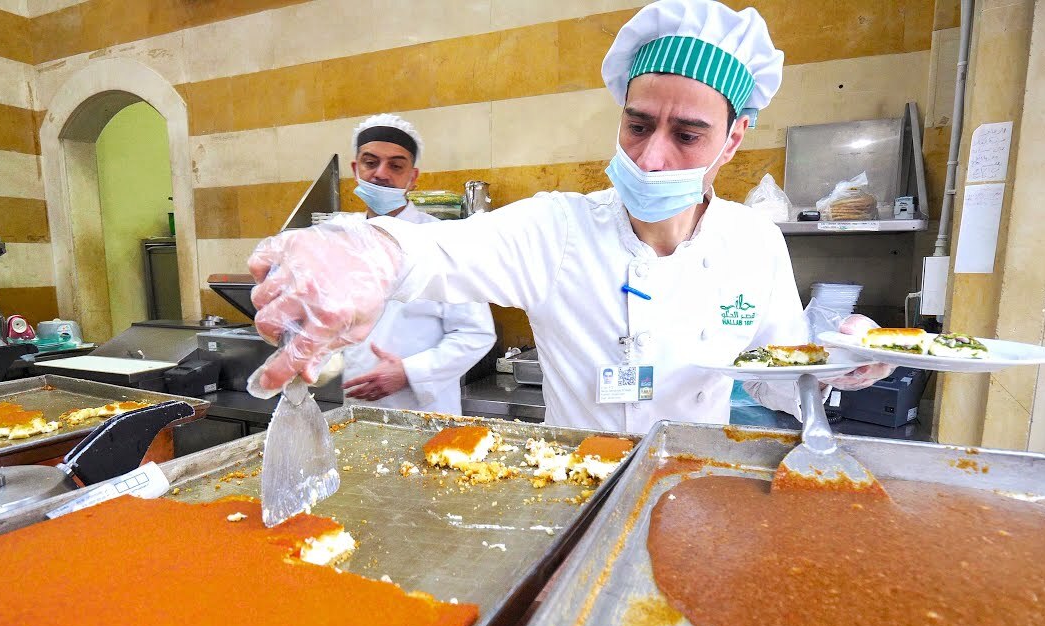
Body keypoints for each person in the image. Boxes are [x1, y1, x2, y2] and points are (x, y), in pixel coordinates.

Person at [246, 0, 891, 433]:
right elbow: (433, 254)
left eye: (687, 136)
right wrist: (364, 249)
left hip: (691, 488)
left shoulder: (753, 244)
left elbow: (778, 379)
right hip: (576, 495)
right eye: (638, 126)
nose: (651, 157)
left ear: (733, 139)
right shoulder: (557, 230)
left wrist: (836, 363)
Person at [336, 114, 496, 415]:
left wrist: (408, 372)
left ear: (413, 177)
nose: (381, 174)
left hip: (425, 414)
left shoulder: (444, 241)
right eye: (370, 163)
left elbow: (477, 333)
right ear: (356, 169)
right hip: (356, 414)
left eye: (396, 165)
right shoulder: (342, 240)